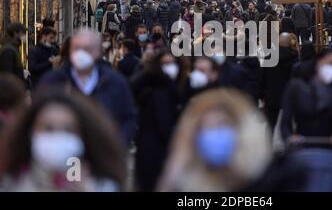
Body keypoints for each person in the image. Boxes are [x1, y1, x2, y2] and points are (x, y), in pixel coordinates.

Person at [1, 90, 127, 191]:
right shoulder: (12, 182)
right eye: (49, 129)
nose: (58, 136)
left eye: (68, 130)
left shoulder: (102, 185)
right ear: (31, 133)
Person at [157, 88, 271, 192]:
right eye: (206, 127)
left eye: (221, 125)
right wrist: (173, 173)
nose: (215, 134)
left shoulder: (260, 179)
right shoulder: (185, 184)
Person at [38, 29, 136, 146]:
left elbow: (128, 117)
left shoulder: (114, 82)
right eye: (77, 48)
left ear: (98, 52)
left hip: (102, 155)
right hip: (65, 157)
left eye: (87, 49)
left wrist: (117, 146)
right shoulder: (54, 81)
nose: (81, 53)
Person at [130, 50, 183, 191]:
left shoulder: (181, 87)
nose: (169, 67)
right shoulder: (150, 87)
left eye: (172, 63)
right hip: (151, 150)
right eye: (165, 64)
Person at [281, 50, 332, 143]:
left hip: (330, 146)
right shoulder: (296, 87)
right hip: (302, 144)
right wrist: (289, 137)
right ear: (319, 61)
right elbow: (286, 120)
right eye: (330, 63)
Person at [259, 33, 298, 130]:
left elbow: (262, 77)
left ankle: (268, 143)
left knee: (270, 125)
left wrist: (261, 95)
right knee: (289, 125)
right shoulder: (295, 58)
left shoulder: (269, 57)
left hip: (271, 95)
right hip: (290, 96)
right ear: (290, 43)